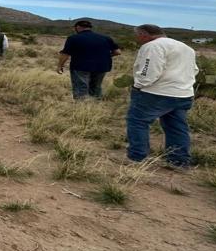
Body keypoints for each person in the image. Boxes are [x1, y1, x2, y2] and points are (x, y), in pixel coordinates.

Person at [125, 24, 199, 168]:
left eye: (138, 35)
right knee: (177, 127)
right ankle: (179, 161)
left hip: (156, 93)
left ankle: (137, 157)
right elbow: (194, 70)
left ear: (143, 34)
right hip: (183, 93)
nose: (138, 38)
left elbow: (149, 70)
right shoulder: (186, 48)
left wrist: (138, 85)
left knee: (138, 122)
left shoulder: (152, 46)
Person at [57, 19, 121, 100]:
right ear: (89, 28)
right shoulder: (106, 38)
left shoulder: (73, 38)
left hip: (81, 67)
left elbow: (65, 54)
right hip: (101, 67)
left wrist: (60, 66)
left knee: (81, 89)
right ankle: (95, 107)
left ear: (78, 27)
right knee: (96, 88)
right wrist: (104, 56)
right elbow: (118, 52)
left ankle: (82, 109)